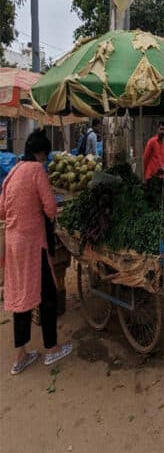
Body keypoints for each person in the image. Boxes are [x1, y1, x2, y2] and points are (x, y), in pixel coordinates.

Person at [2, 129, 73, 374]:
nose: (46, 160)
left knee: (21, 296)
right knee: (48, 295)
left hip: (13, 244)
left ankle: (20, 356)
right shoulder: (36, 171)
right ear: (40, 153)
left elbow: (2, 209)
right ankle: (52, 349)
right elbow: (51, 208)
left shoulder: (11, 173)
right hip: (33, 244)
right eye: (45, 156)